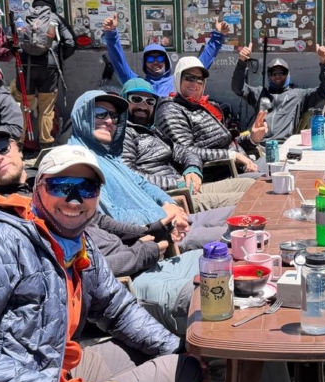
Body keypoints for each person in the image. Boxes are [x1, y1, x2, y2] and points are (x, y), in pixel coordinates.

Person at [0, 143, 207, 382]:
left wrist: (176, 347)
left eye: (87, 189)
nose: (74, 199)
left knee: (167, 356)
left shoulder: (75, 241)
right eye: (60, 186)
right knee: (185, 372)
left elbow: (116, 308)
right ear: (37, 188)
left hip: (50, 366)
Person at [0, 124, 206, 336]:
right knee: (201, 299)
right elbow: (72, 272)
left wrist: (151, 229)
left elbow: (101, 221)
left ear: (17, 147)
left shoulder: (47, 180)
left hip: (135, 261)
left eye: (1, 148)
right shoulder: (9, 219)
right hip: (120, 288)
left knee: (219, 266)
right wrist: (140, 254)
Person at [67, 89, 235, 252]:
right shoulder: (80, 164)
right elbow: (113, 217)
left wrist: (169, 204)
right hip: (160, 236)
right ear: (82, 116)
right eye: (99, 113)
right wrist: (163, 214)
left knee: (238, 215)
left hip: (172, 219)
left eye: (114, 115)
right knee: (242, 234)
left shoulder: (109, 155)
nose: (109, 121)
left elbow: (143, 183)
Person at [119, 78, 256, 212]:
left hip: (187, 187)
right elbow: (129, 175)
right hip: (171, 198)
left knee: (252, 185)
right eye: (136, 99)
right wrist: (175, 184)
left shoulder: (154, 131)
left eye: (150, 101)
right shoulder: (123, 134)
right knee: (249, 199)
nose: (143, 106)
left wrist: (192, 169)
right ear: (123, 101)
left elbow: (185, 152)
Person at [154, 57, 262, 181]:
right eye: (189, 78)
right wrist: (232, 156)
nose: (195, 83)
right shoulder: (171, 110)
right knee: (268, 184)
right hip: (218, 175)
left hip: (242, 166)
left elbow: (226, 141)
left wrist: (252, 139)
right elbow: (186, 151)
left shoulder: (202, 106)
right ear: (178, 79)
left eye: (199, 79)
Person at [101, 13, 224, 97]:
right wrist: (111, 34)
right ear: (144, 62)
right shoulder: (137, 83)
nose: (156, 62)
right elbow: (118, 62)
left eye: (160, 58)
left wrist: (218, 36)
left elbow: (201, 64)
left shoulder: (178, 81)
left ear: (166, 61)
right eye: (150, 58)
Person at [231, 41, 325, 141]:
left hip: (285, 145)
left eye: (282, 72)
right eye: (273, 73)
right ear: (268, 76)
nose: (277, 76)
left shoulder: (299, 95)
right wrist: (242, 61)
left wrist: (324, 62)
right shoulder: (259, 93)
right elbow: (237, 88)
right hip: (260, 145)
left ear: (288, 74)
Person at [12, 0, 73, 147]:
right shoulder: (55, 18)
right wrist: (59, 57)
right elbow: (70, 42)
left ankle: (18, 145)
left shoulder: (22, 18)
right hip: (49, 68)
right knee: (46, 108)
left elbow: (10, 41)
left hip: (25, 67)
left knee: (23, 106)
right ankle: (45, 146)